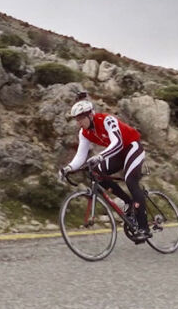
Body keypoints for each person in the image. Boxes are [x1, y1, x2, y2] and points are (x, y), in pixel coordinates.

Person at [59, 92, 151, 242]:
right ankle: (128, 203)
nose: (79, 122)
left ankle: (144, 228)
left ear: (90, 115)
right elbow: (81, 156)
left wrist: (101, 156)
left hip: (132, 146)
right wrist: (69, 168)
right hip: (118, 153)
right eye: (77, 119)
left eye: (81, 118)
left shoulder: (106, 120)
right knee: (96, 172)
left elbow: (118, 143)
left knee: (131, 180)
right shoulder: (84, 133)